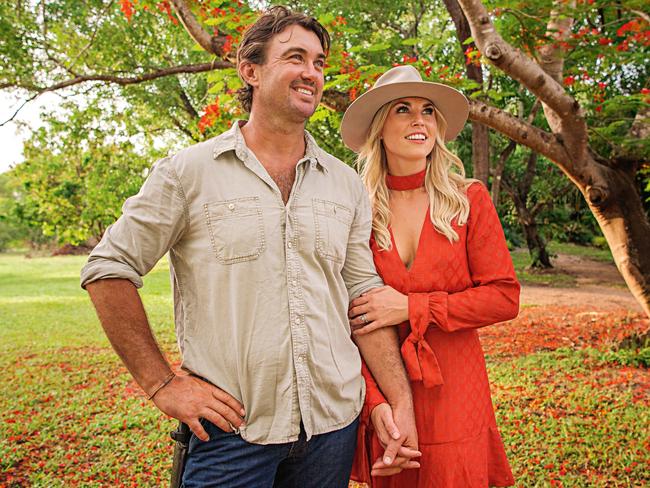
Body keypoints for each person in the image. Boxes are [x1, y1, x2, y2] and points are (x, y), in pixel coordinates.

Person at [80, 7, 419, 488]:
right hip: (232, 434)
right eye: (295, 57)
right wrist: (161, 384)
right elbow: (108, 268)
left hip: (332, 427)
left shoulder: (344, 184)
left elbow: (363, 299)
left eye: (320, 62)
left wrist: (399, 400)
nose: (311, 73)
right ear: (251, 70)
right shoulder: (188, 173)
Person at [340, 65, 520, 486]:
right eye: (403, 109)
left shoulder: (468, 199)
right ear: (379, 126)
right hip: (384, 385)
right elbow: (348, 319)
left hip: (456, 387)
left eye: (428, 111)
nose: (420, 120)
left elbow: (504, 297)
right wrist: (375, 401)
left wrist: (412, 307)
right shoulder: (355, 210)